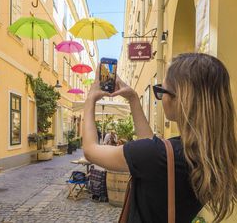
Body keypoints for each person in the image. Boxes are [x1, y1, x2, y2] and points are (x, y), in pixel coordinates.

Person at [83, 53, 237, 223]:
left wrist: (90, 100)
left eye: (161, 90)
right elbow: (153, 150)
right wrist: (133, 98)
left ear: (181, 99)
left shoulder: (157, 155)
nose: (161, 96)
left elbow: (90, 150)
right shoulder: (210, 153)